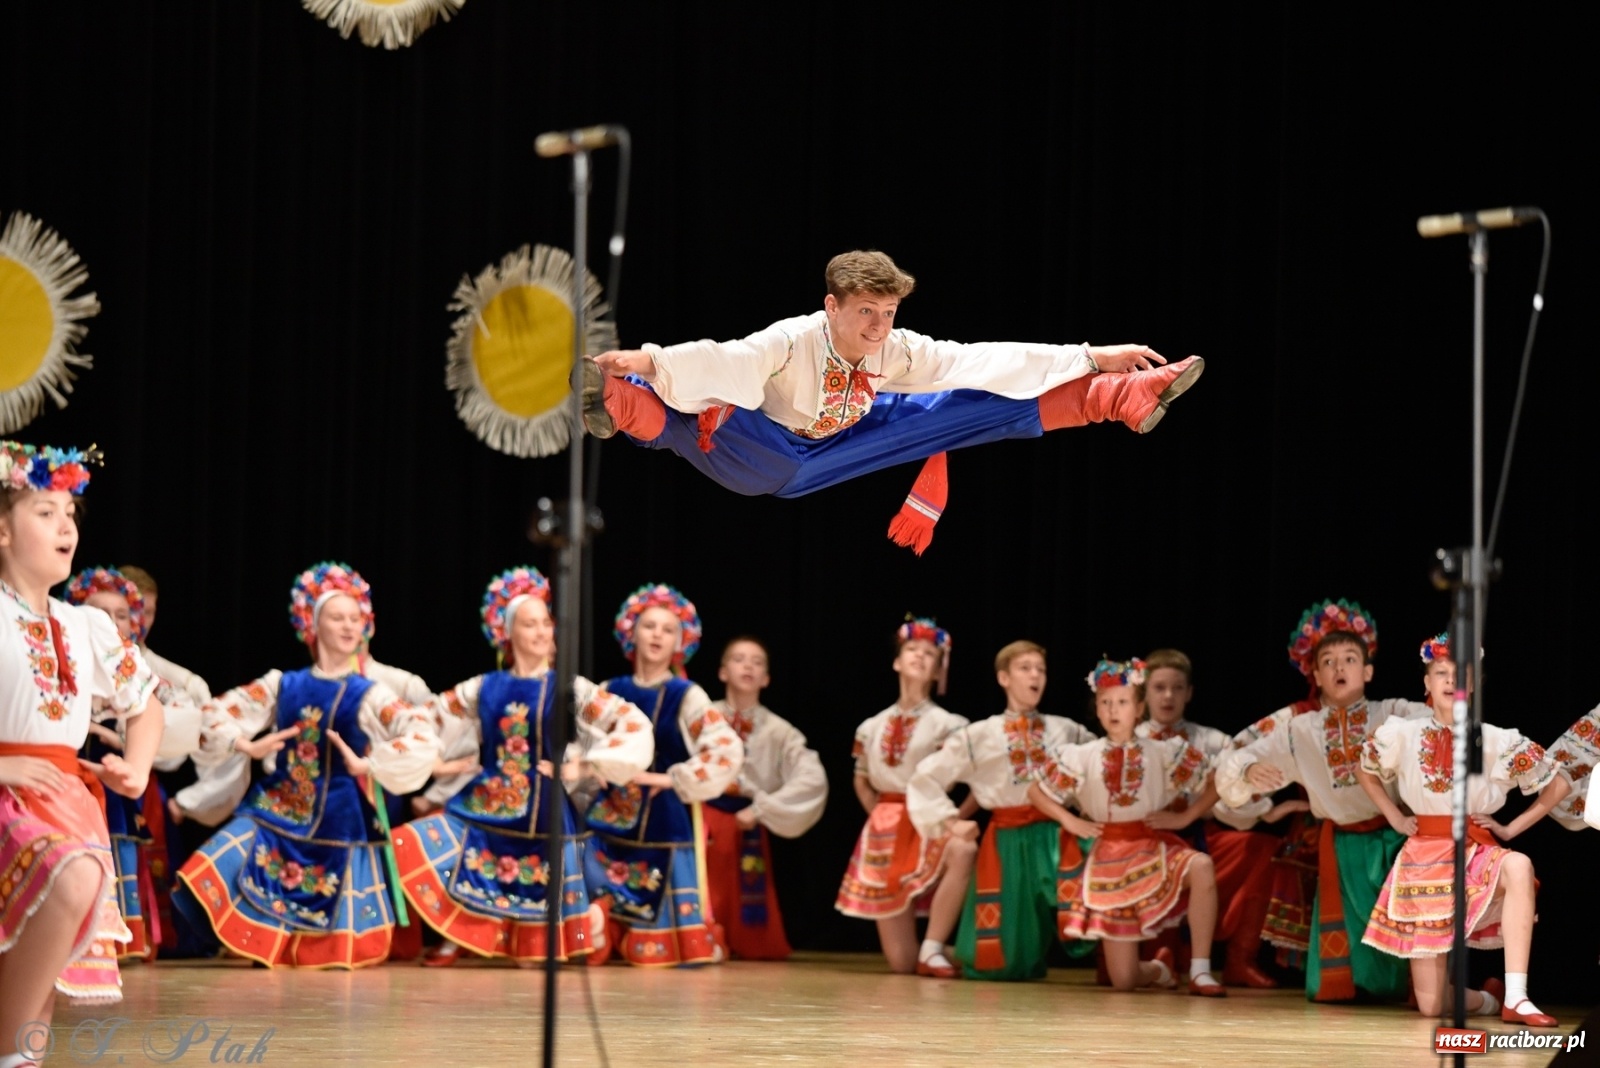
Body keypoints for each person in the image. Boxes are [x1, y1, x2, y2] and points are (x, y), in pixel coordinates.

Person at [583, 250, 1204, 552]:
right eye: (865, 314)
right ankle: (610, 396)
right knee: (703, 417)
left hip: (843, 436)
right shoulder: (791, 340)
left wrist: (1094, 354)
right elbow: (730, 360)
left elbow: (982, 358)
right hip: (765, 449)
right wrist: (646, 358)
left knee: (965, 399)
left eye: (888, 313)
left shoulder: (895, 350)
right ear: (831, 307)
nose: (879, 327)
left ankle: (1120, 395)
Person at [171, 562, 444, 968]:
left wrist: (372, 763)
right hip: (283, 803)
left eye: (356, 618)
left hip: (340, 814)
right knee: (215, 864)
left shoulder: (370, 693)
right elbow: (213, 712)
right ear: (313, 626)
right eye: (338, 618)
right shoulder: (284, 683)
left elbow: (421, 728)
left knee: (332, 932)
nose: (350, 627)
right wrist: (245, 743)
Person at [392, 567, 653, 965]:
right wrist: (432, 762)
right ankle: (460, 935)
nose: (540, 632)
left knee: (534, 952)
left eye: (546, 623)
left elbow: (630, 722)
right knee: (406, 842)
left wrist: (586, 764)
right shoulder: (482, 686)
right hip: (488, 801)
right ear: (509, 632)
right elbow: (428, 718)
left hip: (542, 809)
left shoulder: (570, 687)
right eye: (529, 624)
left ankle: (583, 925)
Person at [1, 441, 163, 1068]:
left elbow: (145, 703)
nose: (65, 525)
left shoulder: (83, 626)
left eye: (70, 513)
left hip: (64, 798)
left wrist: (138, 767)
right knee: (68, 879)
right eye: (45, 512)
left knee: (35, 957)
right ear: (4, 532)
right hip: (10, 793)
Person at [1215, 600, 1433, 1002]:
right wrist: (1246, 773)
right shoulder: (1299, 730)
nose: (1339, 668)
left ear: (1367, 671)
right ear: (1315, 674)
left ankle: (1434, 991)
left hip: (1396, 841)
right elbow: (1236, 757)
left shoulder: (1392, 715)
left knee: (1403, 943)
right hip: (1342, 848)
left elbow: (1441, 721)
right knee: (1338, 976)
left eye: (1350, 659)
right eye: (1328, 661)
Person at [1357, 633, 1567, 1026]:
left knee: (1518, 865)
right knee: (1433, 1006)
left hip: (1475, 851)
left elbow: (1558, 783)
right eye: (1441, 673)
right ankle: (1489, 1000)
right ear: (1427, 683)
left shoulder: (1496, 740)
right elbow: (1364, 770)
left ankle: (1518, 997)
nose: (1451, 681)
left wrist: (1510, 828)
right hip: (1423, 856)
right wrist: (1394, 817)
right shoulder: (1402, 733)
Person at [1027, 657, 1225, 995]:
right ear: (1097, 709)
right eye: (1105, 703)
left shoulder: (1162, 752)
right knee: (1124, 981)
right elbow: (1035, 790)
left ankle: (1201, 970)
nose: (1113, 710)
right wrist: (1070, 820)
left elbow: (1216, 780)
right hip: (1108, 857)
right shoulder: (1082, 755)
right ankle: (1159, 969)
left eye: (1122, 702)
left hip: (1150, 845)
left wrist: (1184, 818)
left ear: (1138, 707)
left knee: (1202, 866)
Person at [906, 639, 1094, 980]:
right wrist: (950, 822)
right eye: (1025, 668)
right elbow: (925, 778)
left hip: (1057, 837)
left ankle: (1130, 967)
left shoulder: (1066, 730)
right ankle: (951, 950)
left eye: (1040, 669)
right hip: (1007, 844)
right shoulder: (979, 735)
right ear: (1004, 678)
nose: (1035, 676)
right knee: (1006, 966)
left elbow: (1098, 768)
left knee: (1105, 891)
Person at [581, 583, 745, 966]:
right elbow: (580, 741)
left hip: (663, 818)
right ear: (631, 633)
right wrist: (594, 767)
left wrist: (671, 778)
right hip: (610, 816)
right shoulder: (609, 691)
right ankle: (601, 930)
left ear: (680, 643)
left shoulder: (686, 695)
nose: (657, 635)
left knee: (657, 953)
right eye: (650, 626)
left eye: (668, 629)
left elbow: (725, 749)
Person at [1137, 648, 1304, 987]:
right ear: (1145, 692)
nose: (1168, 696)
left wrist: (1267, 811)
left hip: (1201, 835)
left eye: (1177, 687)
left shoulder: (1214, 741)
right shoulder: (1131, 739)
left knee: (1259, 848)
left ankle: (1240, 959)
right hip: (1148, 839)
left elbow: (1231, 789)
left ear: (1190, 692)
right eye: (1159, 687)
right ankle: (1159, 955)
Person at [63, 566, 201, 961]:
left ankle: (119, 939)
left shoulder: (140, 671)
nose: (108, 622)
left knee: (117, 844)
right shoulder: (65, 645)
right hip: (63, 772)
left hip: (112, 776)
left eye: (120, 615)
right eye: (98, 612)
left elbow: (168, 712)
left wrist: (125, 747)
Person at [837, 618, 976, 977]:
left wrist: (955, 818)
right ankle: (965, 953)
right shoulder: (870, 727)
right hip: (886, 823)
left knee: (962, 850)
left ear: (937, 669)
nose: (919, 656)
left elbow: (978, 780)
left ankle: (933, 947)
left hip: (929, 819)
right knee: (900, 964)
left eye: (930, 653)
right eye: (912, 649)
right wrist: (877, 816)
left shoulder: (949, 724)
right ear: (897, 661)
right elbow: (862, 779)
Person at [702, 636, 828, 960]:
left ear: (767, 678)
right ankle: (702, 937)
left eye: (757, 662)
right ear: (722, 672)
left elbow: (812, 778)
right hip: (703, 819)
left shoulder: (779, 731)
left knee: (747, 901)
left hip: (746, 822)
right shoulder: (703, 717)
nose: (748, 666)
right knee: (704, 889)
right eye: (739, 659)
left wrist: (762, 808)